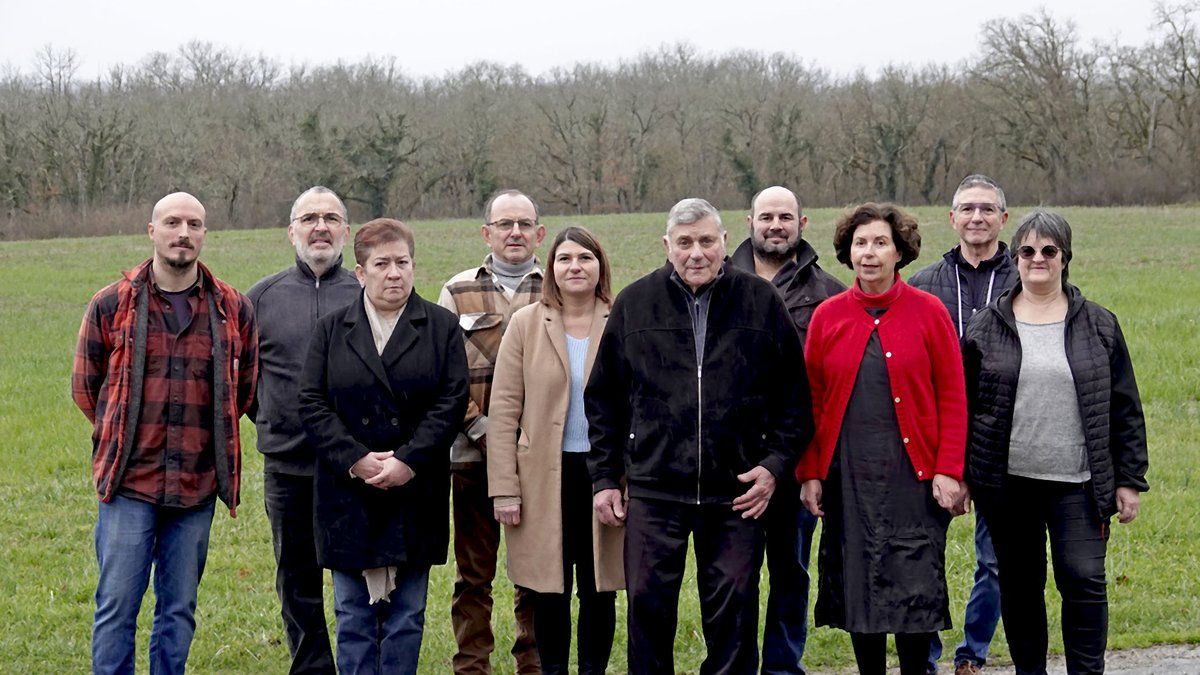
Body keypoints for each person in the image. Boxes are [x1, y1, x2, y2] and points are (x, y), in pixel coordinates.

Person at [587, 198, 814, 674]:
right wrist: (606, 477)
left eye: (707, 241)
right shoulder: (635, 303)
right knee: (648, 604)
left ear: (726, 243)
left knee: (734, 607)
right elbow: (604, 399)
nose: (697, 253)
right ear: (667, 246)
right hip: (655, 487)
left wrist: (774, 467)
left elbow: (795, 400)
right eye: (685, 242)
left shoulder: (760, 301)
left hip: (736, 491)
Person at [71, 192, 258, 675]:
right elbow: (85, 387)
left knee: (178, 610)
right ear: (151, 231)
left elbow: (244, 390)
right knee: (117, 607)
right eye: (172, 223)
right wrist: (122, 433)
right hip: (129, 483)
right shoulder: (112, 303)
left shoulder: (232, 308)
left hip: (195, 487)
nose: (183, 233)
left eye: (194, 224)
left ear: (204, 235)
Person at [961, 210, 1149, 675]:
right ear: (1015, 258)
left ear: (1065, 258)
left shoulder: (1100, 325)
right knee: (1021, 589)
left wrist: (1129, 479)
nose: (1038, 260)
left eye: (1049, 251)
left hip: (1078, 485)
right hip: (1009, 486)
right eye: (1027, 251)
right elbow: (964, 409)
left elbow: (1124, 406)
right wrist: (963, 476)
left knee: (1083, 579)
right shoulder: (985, 327)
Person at [798, 202, 967, 675]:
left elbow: (953, 396)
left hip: (913, 481)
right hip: (849, 480)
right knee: (859, 591)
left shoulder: (929, 313)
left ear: (899, 252)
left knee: (913, 590)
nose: (869, 253)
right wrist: (810, 473)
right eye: (860, 244)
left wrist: (949, 470)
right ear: (848, 253)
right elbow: (811, 402)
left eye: (880, 243)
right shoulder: (828, 317)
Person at [298, 218, 469, 674]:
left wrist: (409, 461)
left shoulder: (441, 327)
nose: (394, 273)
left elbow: (452, 402)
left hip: (416, 490)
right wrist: (354, 459)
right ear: (359, 272)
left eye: (402, 263)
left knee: (407, 616)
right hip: (347, 492)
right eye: (382, 264)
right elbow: (311, 402)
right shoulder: (332, 330)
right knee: (353, 615)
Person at [488, 226, 624, 675]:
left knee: (599, 585)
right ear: (551, 269)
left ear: (600, 265)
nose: (575, 267)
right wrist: (504, 488)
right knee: (549, 588)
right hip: (543, 476)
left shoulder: (622, 318)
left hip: (606, 474)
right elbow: (504, 410)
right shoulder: (528, 323)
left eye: (585, 258)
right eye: (565, 259)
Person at [728, 185, 845, 675]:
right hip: (730, 462)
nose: (775, 225)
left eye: (785, 217)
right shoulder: (719, 279)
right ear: (750, 222)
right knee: (733, 576)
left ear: (803, 223)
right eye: (766, 216)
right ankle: (735, 664)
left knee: (791, 571)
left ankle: (782, 666)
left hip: (798, 460)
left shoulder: (828, 294)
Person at [247, 186, 360, 674]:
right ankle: (313, 667)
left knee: (360, 575)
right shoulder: (260, 299)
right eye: (309, 218)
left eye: (331, 218)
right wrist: (273, 418)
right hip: (288, 465)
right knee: (296, 577)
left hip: (357, 466)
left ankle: (363, 660)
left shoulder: (366, 290)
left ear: (346, 232)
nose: (321, 227)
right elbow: (243, 380)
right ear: (290, 231)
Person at [909, 174, 1016, 675]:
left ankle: (972, 652)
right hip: (934, 441)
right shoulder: (924, 283)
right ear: (951, 218)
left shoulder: (1026, 278)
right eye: (967, 209)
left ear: (1003, 218)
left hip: (1004, 439)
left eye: (987, 209)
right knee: (925, 553)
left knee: (994, 560)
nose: (977, 217)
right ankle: (923, 654)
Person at [438, 189, 545, 674]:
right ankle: (471, 666)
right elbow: (440, 374)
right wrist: (483, 430)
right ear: (487, 233)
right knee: (473, 575)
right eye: (505, 224)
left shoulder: (560, 285)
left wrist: (526, 442)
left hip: (541, 459)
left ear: (539, 234)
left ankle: (535, 663)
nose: (515, 233)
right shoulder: (457, 289)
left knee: (536, 574)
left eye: (524, 224)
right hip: (470, 456)